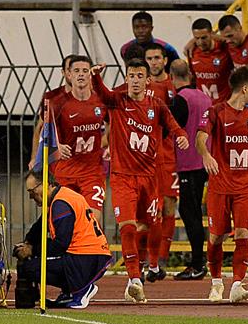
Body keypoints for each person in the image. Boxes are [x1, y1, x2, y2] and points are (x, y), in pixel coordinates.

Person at [90, 59, 189, 303]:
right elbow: (102, 93)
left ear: (148, 81)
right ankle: (134, 279)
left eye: (139, 75)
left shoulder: (157, 105)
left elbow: (174, 126)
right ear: (127, 78)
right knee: (127, 226)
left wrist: (182, 137)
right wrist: (95, 77)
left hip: (149, 177)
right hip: (123, 177)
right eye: (130, 75)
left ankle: (150, 264)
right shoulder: (118, 101)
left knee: (149, 225)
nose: (134, 80)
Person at [197, 65, 248, 304]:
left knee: (243, 232)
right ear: (244, 88)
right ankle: (216, 282)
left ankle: (237, 284)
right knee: (216, 237)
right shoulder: (216, 112)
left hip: (246, 186)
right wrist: (206, 155)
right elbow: (200, 138)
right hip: (220, 186)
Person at [13, 170, 112, 310]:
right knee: (36, 262)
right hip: (91, 255)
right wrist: (28, 242)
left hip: (85, 258)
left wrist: (32, 250)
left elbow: (61, 244)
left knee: (30, 268)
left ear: (46, 184)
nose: (31, 196)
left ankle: (80, 289)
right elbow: (40, 227)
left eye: (32, 191)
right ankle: (71, 291)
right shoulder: (61, 198)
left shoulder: (60, 204)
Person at [49, 56, 108, 223]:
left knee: (92, 219)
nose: (81, 74)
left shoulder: (101, 101)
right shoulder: (58, 103)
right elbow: (45, 134)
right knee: (64, 221)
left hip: (92, 172)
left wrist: (105, 142)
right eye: (76, 71)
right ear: (69, 74)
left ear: (90, 74)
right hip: (65, 171)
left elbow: (113, 124)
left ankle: (93, 248)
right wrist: (57, 147)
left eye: (85, 71)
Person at [168, 59, 212, 280]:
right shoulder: (205, 97)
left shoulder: (180, 100)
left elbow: (172, 128)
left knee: (190, 212)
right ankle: (199, 262)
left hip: (188, 162)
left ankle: (197, 263)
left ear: (171, 77)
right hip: (204, 160)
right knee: (194, 212)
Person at [144, 43, 178, 281]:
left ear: (165, 60)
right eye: (150, 58)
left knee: (168, 205)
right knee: (147, 208)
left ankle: (162, 258)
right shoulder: (139, 87)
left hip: (168, 156)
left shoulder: (172, 87)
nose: (153, 62)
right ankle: (146, 257)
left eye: (157, 58)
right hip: (145, 157)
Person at [29, 55, 75, 169]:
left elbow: (108, 130)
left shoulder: (95, 98)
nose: (74, 74)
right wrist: (34, 158)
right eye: (70, 69)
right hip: (58, 166)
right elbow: (40, 129)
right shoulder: (52, 98)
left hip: (87, 167)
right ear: (63, 72)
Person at [190, 17, 233, 104]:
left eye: (204, 38)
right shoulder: (192, 51)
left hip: (223, 106)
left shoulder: (224, 49)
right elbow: (192, 78)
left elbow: (230, 41)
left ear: (211, 34)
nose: (200, 42)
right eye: (197, 38)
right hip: (202, 107)